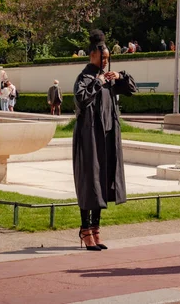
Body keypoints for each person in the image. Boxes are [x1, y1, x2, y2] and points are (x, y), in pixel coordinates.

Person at [73, 29, 137, 251]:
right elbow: (81, 99)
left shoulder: (108, 78)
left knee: (102, 180)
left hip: (107, 136)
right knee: (89, 180)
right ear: (92, 55)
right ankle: (84, 229)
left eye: (108, 59)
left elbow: (132, 89)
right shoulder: (85, 78)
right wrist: (98, 82)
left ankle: (96, 229)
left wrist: (119, 76)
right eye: (103, 58)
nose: (105, 62)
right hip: (89, 136)